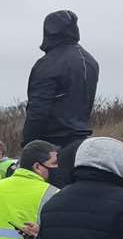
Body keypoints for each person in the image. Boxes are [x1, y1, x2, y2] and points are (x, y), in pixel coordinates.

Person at [24, 10, 100, 187]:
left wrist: (30, 145)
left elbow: (38, 109)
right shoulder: (90, 61)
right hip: (81, 142)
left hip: (51, 146)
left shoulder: (48, 63)